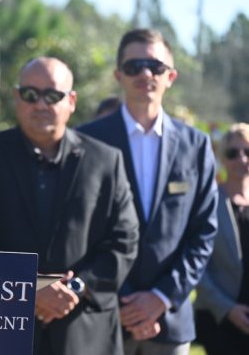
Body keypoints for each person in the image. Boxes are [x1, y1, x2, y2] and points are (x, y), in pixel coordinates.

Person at [0, 57, 139, 355]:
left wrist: (75, 289)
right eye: (30, 95)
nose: (40, 104)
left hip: (84, 334)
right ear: (16, 98)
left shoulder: (106, 161)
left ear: (71, 101)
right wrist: (30, 287)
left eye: (52, 95)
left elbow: (124, 241)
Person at [79, 28, 218, 355]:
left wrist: (160, 298)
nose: (145, 74)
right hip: (103, 317)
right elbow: (79, 229)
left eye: (155, 66)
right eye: (133, 66)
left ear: (171, 76)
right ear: (118, 75)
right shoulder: (86, 141)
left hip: (169, 321)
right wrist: (122, 300)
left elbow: (204, 231)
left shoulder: (195, 145)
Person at [195, 123, 249, 355]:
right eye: (233, 153)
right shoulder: (208, 202)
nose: (241, 159)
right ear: (222, 158)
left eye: (247, 151)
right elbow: (197, 264)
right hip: (219, 319)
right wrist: (227, 309)